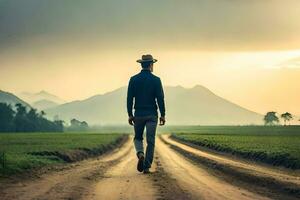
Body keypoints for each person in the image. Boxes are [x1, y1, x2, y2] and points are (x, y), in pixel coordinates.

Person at [127, 54, 166, 174]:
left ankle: (140, 154)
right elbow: (160, 98)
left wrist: (130, 114)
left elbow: (129, 99)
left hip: (138, 114)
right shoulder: (156, 80)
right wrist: (163, 115)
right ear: (151, 65)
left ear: (142, 64)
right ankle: (147, 166)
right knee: (151, 141)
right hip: (152, 115)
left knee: (138, 137)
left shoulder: (133, 79)